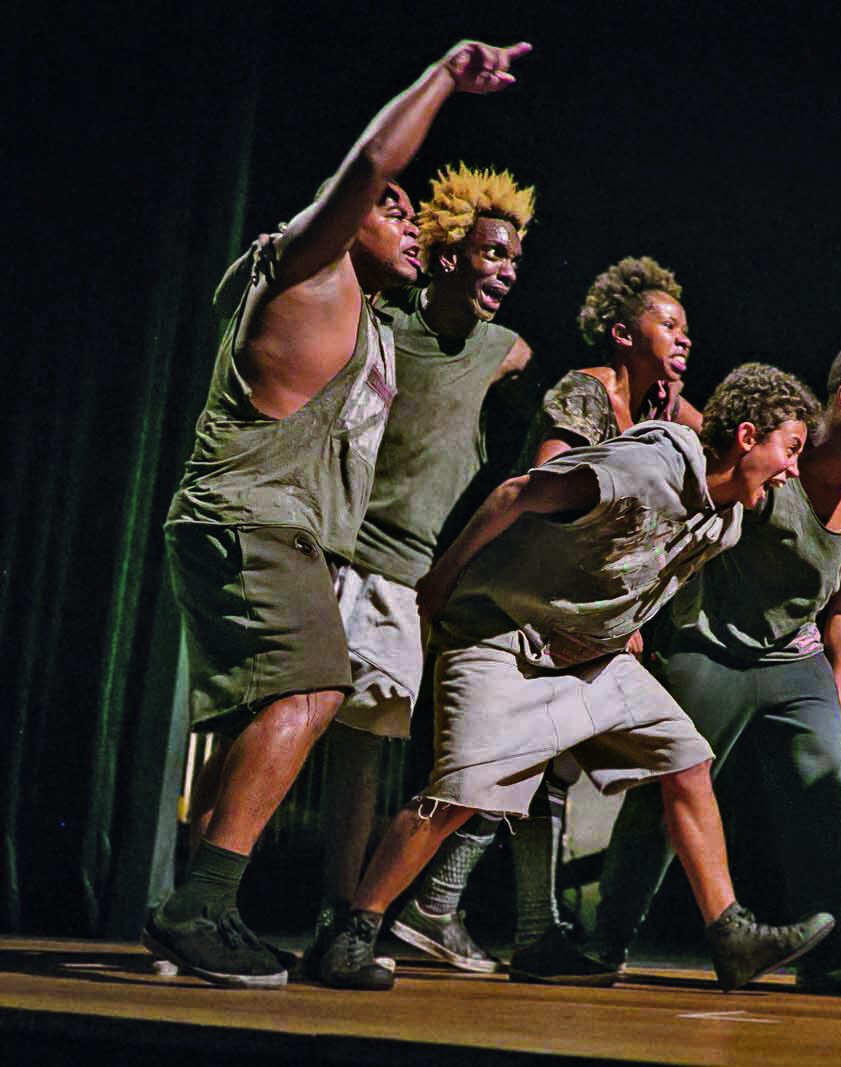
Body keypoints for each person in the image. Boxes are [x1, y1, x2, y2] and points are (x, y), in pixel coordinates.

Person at [149, 40, 529, 989]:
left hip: (259, 524)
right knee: (314, 688)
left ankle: (210, 901)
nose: (406, 224)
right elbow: (368, 168)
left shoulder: (364, 312)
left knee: (297, 701)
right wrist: (447, 76)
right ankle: (200, 906)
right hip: (252, 515)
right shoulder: (308, 263)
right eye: (393, 214)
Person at [313, 364, 836, 992]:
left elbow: (644, 563)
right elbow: (515, 496)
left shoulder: (724, 521)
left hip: (588, 655)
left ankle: (731, 936)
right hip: (501, 634)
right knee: (456, 797)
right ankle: (355, 932)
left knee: (687, 757)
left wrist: (629, 619)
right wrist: (440, 584)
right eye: (791, 449)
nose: (793, 469)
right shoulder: (646, 468)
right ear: (748, 437)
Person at [391, 255, 705, 983]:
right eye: (668, 323)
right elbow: (540, 499)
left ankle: (515, 925)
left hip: (574, 617)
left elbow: (722, 449)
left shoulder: (659, 411)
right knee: (511, 761)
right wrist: (448, 579)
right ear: (623, 335)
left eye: (687, 325)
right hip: (518, 605)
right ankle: (431, 907)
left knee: (546, 763)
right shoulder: (583, 395)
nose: (684, 335)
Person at [581, 342, 841, 995]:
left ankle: (828, 943)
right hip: (712, 645)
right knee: (668, 785)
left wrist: (833, 700)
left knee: (826, 788)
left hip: (797, 656)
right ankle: (607, 937)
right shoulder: (785, 454)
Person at [306, 163, 537, 977]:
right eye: (493, 254)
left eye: (515, 259)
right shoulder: (377, 324)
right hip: (331, 552)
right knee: (279, 731)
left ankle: (341, 918)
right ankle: (203, 895)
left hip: (403, 578)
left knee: (366, 747)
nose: (507, 271)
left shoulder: (502, 350)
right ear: (447, 256)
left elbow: (525, 363)